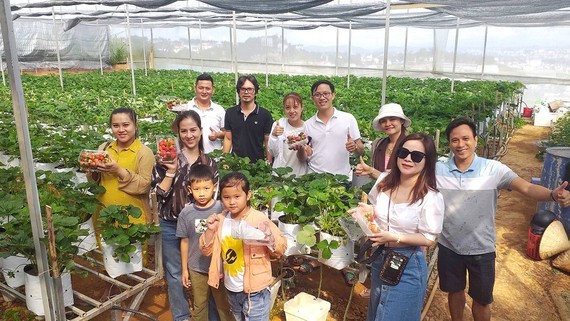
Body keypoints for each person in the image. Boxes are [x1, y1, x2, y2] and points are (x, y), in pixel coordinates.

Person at [436, 117, 570, 321]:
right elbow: (407, 176)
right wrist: (374, 172)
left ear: (475, 140)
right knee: (454, 292)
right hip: (448, 246)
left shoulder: (493, 169)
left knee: (482, 300)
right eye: (455, 140)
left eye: (465, 138)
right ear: (449, 143)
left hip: (481, 248)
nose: (460, 144)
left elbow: (527, 187)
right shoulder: (439, 169)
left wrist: (553, 194)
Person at [351, 133, 444, 321]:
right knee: (377, 311)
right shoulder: (385, 180)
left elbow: (429, 238)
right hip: (381, 259)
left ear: (427, 161)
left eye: (417, 156)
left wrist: (395, 237)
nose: (408, 159)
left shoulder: (430, 196)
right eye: (404, 152)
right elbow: (377, 209)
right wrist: (368, 211)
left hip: (408, 262)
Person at [151, 110, 218, 321]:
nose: (189, 135)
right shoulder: (167, 159)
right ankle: (181, 316)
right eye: (183, 131)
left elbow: (214, 199)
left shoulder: (209, 163)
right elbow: (157, 195)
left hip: (201, 225)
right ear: (178, 133)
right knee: (174, 274)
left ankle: (210, 315)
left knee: (206, 271)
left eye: (193, 130)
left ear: (200, 131)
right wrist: (171, 171)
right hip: (171, 224)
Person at [200, 172, 287, 321]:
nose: (232, 202)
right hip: (231, 288)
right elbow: (206, 250)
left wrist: (268, 239)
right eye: (226, 197)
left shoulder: (258, 219)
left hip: (255, 290)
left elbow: (281, 247)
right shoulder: (221, 220)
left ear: (248, 195)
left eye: (237, 197)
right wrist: (210, 230)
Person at [176, 164, 233, 321]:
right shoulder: (186, 213)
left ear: (214, 187)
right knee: (199, 304)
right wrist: (185, 269)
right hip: (196, 268)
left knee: (223, 304)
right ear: (189, 189)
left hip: (220, 268)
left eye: (206, 188)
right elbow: (185, 242)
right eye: (197, 189)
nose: (201, 193)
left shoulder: (223, 209)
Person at [90, 107, 155, 226]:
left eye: (126, 125)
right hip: (104, 216)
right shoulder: (104, 148)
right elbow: (95, 182)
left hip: (134, 221)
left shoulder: (144, 152)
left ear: (135, 125)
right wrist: (92, 169)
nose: (121, 130)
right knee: (105, 244)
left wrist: (118, 170)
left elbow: (144, 186)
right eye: (115, 125)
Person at [303, 79, 364, 178]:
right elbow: (305, 154)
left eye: (326, 93)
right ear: (313, 98)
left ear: (333, 95)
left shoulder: (348, 118)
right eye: (317, 95)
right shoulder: (307, 125)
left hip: (341, 179)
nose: (322, 97)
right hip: (315, 177)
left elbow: (360, 149)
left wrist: (355, 147)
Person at [223, 75, 273, 163]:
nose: (246, 92)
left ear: (256, 92)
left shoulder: (265, 114)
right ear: (238, 92)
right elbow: (228, 138)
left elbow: (267, 140)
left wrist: (269, 163)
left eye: (250, 89)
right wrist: (225, 161)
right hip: (236, 163)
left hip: (257, 164)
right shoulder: (230, 113)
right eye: (243, 89)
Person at [355, 103, 411, 180]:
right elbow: (374, 174)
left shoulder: (411, 145)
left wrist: (371, 171)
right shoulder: (378, 144)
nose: (388, 124)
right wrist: (365, 169)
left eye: (392, 119)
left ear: (401, 121)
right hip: (380, 190)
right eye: (383, 121)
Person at [267, 92, 309, 177]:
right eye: (288, 108)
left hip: (299, 176)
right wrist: (274, 136)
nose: (292, 111)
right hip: (279, 174)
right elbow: (272, 152)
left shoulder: (307, 128)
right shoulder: (279, 124)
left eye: (295, 107)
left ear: (302, 107)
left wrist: (301, 149)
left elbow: (305, 158)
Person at [186, 73, 226, 154]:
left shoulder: (219, 110)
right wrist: (178, 115)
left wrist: (217, 135)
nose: (204, 91)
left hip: (214, 158)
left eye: (208, 88)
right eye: (201, 88)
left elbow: (228, 134)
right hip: (190, 158)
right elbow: (175, 130)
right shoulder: (187, 107)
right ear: (195, 88)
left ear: (213, 90)